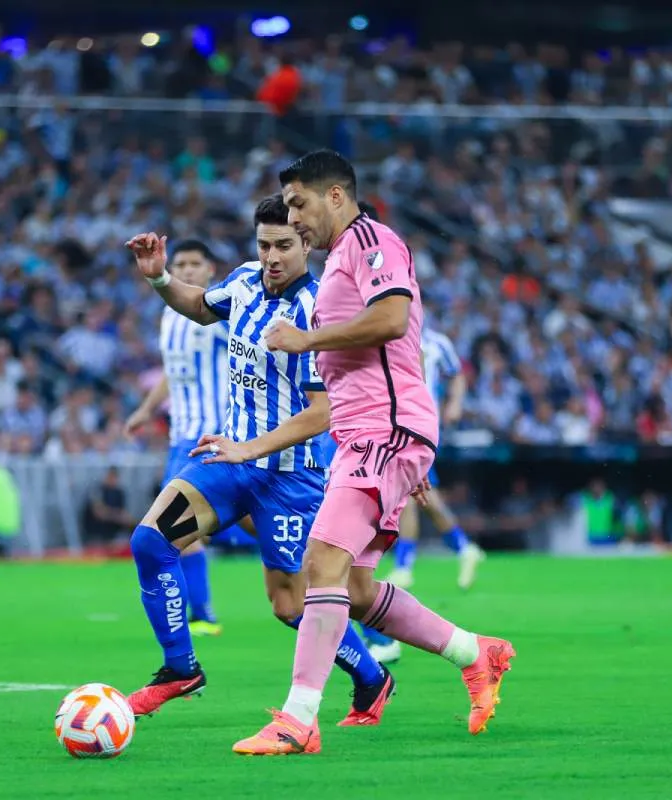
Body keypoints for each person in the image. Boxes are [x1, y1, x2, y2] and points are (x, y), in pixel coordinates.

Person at [236, 150, 516, 755]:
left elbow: (393, 319)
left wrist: (312, 342)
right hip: (371, 435)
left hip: (382, 432)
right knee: (355, 591)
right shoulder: (341, 258)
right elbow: (400, 351)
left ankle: (297, 720)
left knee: (321, 563)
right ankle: (478, 653)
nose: (294, 217)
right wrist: (408, 449)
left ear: (335, 196)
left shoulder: (372, 240)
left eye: (299, 203)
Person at [123, 194, 395, 726]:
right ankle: (180, 668)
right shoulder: (245, 281)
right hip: (228, 462)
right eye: (264, 244)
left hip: (290, 478)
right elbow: (202, 307)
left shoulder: (320, 312)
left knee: (291, 607)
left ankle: (371, 677)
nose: (272, 256)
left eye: (283, 246)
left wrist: (250, 447)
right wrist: (159, 279)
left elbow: (321, 413)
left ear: (306, 245)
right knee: (150, 541)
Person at [125, 239, 234, 637]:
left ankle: (202, 614)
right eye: (182, 263)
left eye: (195, 264)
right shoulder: (170, 316)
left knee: (178, 529)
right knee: (182, 531)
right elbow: (172, 372)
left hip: (214, 436)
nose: (187, 271)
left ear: (210, 270)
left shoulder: (220, 315)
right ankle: (202, 613)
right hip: (179, 437)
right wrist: (145, 410)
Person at [383, 325, 482, 591]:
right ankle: (463, 548)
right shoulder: (389, 334)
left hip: (418, 426)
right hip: (402, 424)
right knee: (423, 494)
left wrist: (455, 403)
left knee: (406, 496)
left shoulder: (437, 342)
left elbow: (457, 374)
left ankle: (404, 567)